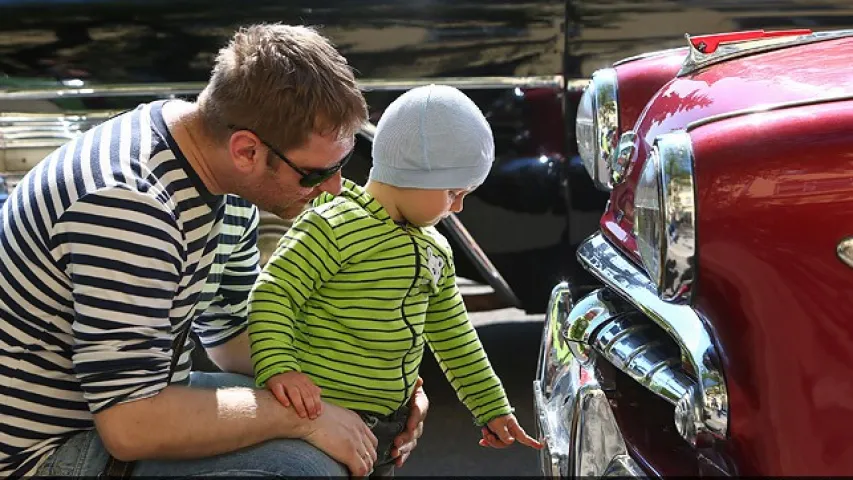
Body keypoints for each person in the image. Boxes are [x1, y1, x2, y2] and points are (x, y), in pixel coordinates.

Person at [0, 23, 428, 478]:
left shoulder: (220, 172)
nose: (334, 188)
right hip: (41, 450)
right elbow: (131, 426)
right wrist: (302, 419)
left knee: (356, 428)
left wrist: (376, 390)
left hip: (121, 403)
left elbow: (230, 335)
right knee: (305, 468)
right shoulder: (130, 204)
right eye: (314, 173)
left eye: (343, 164)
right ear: (247, 150)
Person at [248, 84, 543, 478]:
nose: (458, 206)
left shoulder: (435, 249)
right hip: (320, 417)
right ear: (414, 172)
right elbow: (273, 293)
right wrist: (279, 367)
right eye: (453, 191)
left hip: (388, 428)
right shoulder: (332, 225)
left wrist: (491, 406)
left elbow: (454, 335)